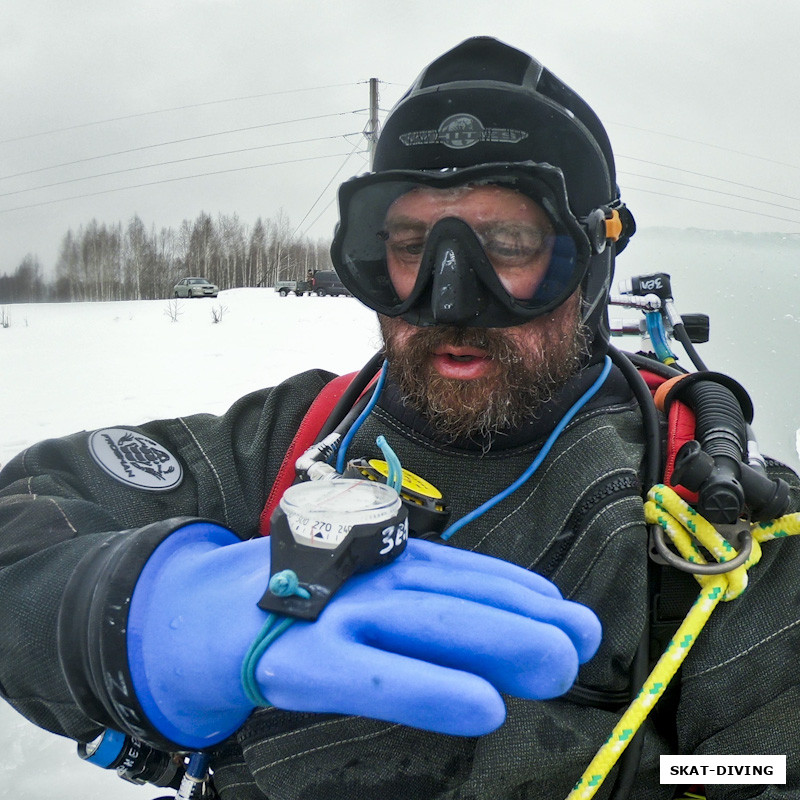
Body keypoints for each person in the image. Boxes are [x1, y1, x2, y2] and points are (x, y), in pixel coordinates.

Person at [0, 36, 798, 800]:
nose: (449, 300)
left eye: (508, 243)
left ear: (590, 265)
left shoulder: (709, 522)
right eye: (413, 244)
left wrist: (631, 777)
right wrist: (136, 621)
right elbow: (25, 518)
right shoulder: (300, 436)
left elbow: (766, 774)